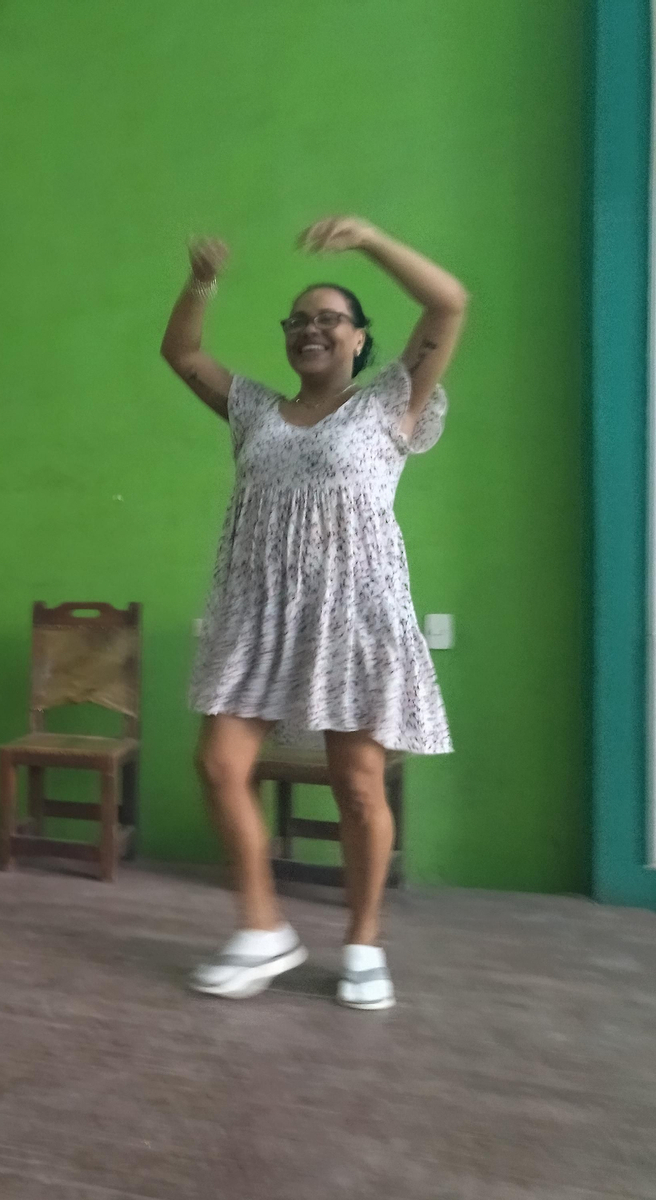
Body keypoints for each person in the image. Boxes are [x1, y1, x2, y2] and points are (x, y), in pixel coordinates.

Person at [160, 216, 468, 1009]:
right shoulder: (254, 411)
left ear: (362, 340)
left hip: (355, 613)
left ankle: (364, 940)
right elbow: (183, 354)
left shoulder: (391, 404)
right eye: (298, 321)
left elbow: (448, 304)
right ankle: (264, 927)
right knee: (219, 765)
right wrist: (201, 282)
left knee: (358, 784)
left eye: (329, 318)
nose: (311, 329)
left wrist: (369, 241)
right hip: (256, 610)